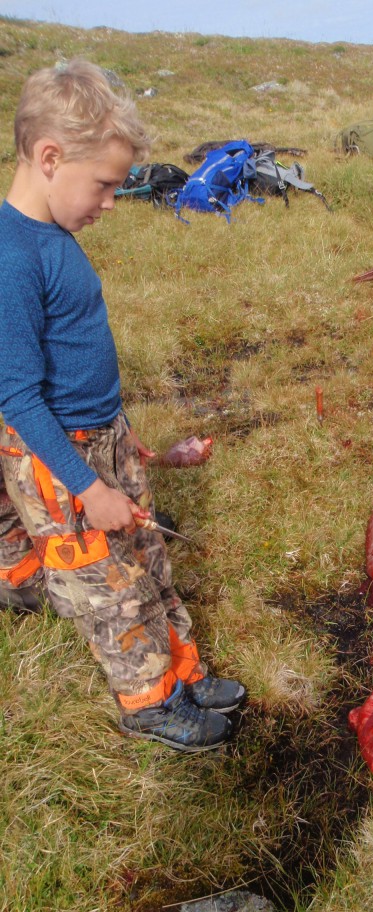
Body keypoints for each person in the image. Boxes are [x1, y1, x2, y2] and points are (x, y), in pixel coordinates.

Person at [0, 59, 245, 751]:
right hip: (58, 455)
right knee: (108, 587)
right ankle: (148, 701)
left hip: (101, 435)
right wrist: (84, 484)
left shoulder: (53, 235)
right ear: (50, 157)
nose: (110, 202)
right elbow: (16, 393)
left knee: (147, 560)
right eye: (104, 184)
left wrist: (119, 437)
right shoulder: (12, 256)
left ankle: (183, 672)